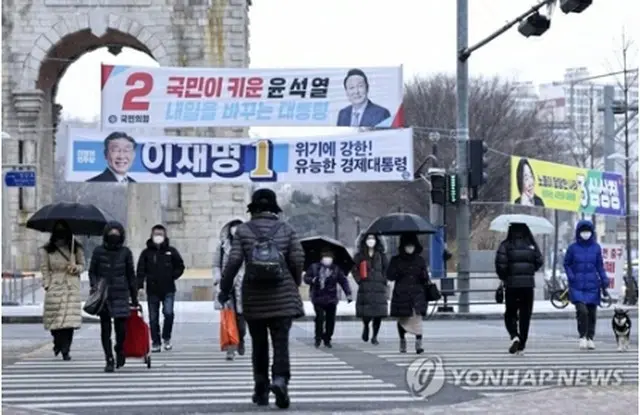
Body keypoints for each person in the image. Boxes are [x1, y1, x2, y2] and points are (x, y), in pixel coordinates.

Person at [217, 188, 305, 409]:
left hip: (254, 296)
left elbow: (233, 262)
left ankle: (261, 388)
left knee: (259, 344)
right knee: (281, 342)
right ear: (274, 207)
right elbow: (297, 259)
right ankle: (281, 380)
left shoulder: (244, 232)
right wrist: (293, 282)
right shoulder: (287, 229)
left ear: (253, 208)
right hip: (282, 295)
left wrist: (224, 289)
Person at [89, 221, 138, 372]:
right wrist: (95, 285)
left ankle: (119, 348)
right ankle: (109, 358)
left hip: (121, 293)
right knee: (105, 329)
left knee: (121, 329)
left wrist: (134, 296)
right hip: (104, 295)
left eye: (117, 233)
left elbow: (131, 275)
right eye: (111, 233)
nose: (114, 236)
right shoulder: (98, 251)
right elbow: (92, 271)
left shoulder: (126, 252)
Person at [495, 223, 543, 355]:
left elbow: (500, 264)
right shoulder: (531, 245)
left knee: (510, 312)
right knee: (525, 315)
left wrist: (504, 277)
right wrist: (529, 270)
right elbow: (539, 261)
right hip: (528, 286)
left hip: (511, 285)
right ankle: (522, 343)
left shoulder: (506, 245)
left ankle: (514, 335)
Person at [40, 221, 84, 361]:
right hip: (55, 284)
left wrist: (75, 268)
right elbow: (44, 268)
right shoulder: (47, 249)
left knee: (69, 321)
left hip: (71, 285)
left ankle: (66, 349)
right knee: (55, 319)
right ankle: (57, 342)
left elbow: (82, 265)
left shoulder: (75, 247)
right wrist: (47, 284)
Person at [136, 224, 185, 352]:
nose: (158, 237)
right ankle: (156, 342)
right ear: (152, 236)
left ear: (165, 236)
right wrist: (139, 286)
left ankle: (166, 337)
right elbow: (140, 270)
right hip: (152, 290)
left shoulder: (171, 251)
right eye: (156, 234)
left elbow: (180, 266)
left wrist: (172, 276)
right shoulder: (146, 253)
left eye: (161, 234)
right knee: (153, 318)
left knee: (168, 313)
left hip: (168, 288)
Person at [563, 220, 609, 350]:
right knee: (582, 311)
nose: (585, 233)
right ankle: (582, 336)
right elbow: (566, 264)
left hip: (592, 285)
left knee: (592, 312)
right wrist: (571, 276)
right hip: (577, 285)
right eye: (583, 231)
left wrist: (604, 279)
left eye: (587, 230)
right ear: (578, 232)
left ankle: (590, 337)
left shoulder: (596, 248)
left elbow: (600, 266)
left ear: (591, 232)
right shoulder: (572, 248)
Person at [387, 234, 428, 354]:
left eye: (412, 245)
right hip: (402, 294)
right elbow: (390, 275)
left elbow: (424, 277)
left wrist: (423, 276)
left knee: (417, 319)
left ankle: (418, 343)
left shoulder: (420, 260)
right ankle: (402, 340)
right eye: (407, 246)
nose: (410, 248)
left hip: (417, 294)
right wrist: (397, 272)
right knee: (403, 319)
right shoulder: (396, 260)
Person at [304, 247, 353, 348]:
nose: (328, 259)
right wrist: (312, 280)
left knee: (330, 320)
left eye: (329, 257)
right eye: (325, 257)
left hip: (331, 298)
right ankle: (318, 337)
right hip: (318, 297)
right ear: (321, 258)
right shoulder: (314, 267)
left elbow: (343, 281)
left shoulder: (336, 269)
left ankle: (327, 338)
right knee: (320, 318)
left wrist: (348, 294)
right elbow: (306, 278)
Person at [213, 218, 247, 360]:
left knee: (240, 319)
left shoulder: (248, 246)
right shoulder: (222, 246)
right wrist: (218, 278)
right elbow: (216, 264)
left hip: (243, 285)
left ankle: (241, 339)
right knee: (228, 317)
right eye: (233, 227)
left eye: (238, 227)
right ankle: (231, 348)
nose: (235, 230)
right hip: (226, 285)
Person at [352, 233, 389, 345]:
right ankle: (366, 326)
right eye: (368, 238)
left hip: (379, 287)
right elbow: (354, 269)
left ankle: (375, 336)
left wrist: (383, 280)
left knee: (378, 314)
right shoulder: (359, 255)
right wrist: (359, 280)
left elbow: (386, 269)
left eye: (373, 238)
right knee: (366, 312)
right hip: (365, 287)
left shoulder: (381, 255)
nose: (371, 240)